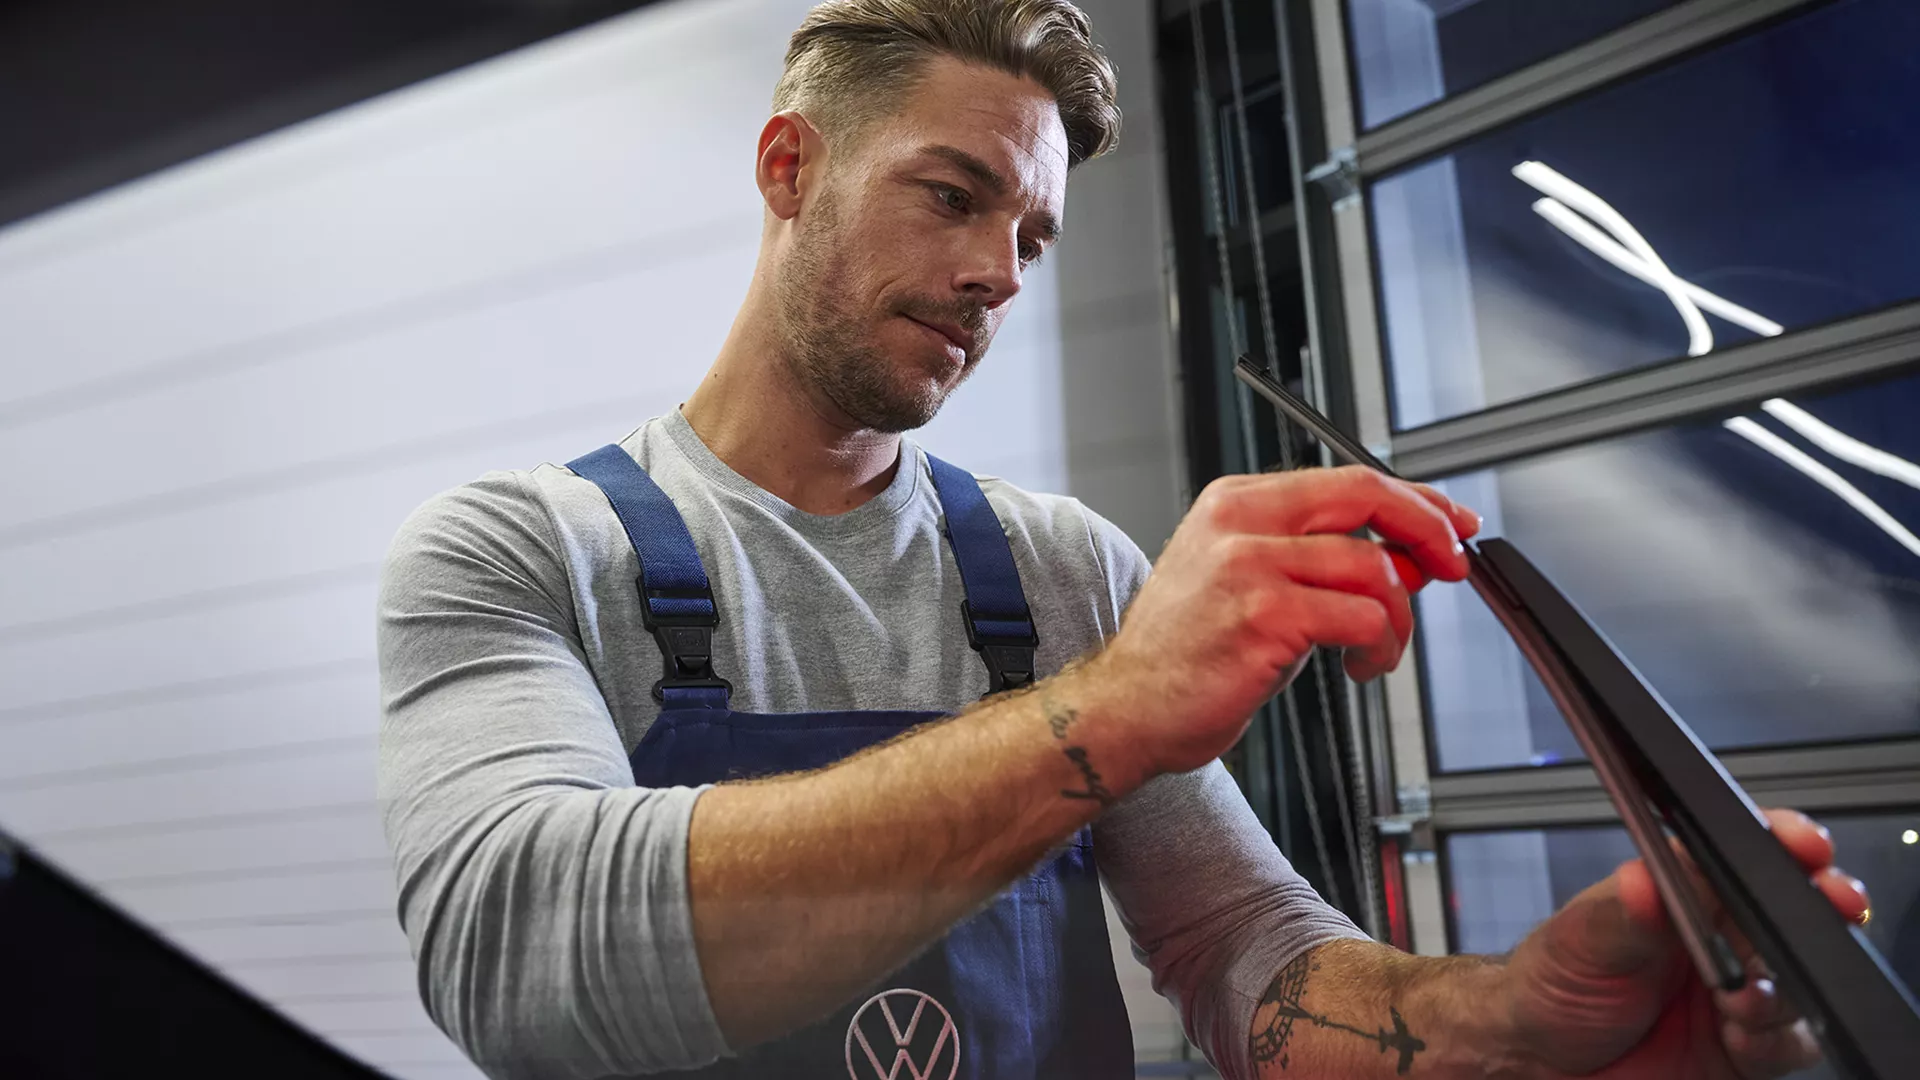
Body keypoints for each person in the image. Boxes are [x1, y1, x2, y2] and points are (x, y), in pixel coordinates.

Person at [375, 2, 1871, 1077]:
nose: (992, 276)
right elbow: (521, 950)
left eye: (1029, 237)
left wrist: (1511, 1022)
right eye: (951, 196)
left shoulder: (1063, 570)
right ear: (787, 169)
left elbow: (1245, 957)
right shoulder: (519, 549)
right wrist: (1104, 717)